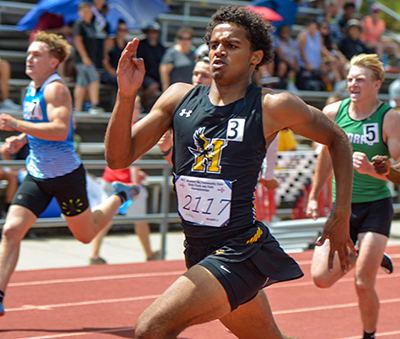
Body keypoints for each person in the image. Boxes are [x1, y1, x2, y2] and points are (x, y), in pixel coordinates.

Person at [106, 6, 356, 338]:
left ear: (256, 57)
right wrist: (126, 95)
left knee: (150, 329)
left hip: (240, 248)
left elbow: (337, 138)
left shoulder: (271, 106)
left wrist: (341, 213)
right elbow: (118, 158)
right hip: (197, 247)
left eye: (232, 45)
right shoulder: (179, 98)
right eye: (214, 44)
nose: (219, 50)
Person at [0, 31, 140, 316]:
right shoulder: (30, 88)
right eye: (29, 53)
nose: (29, 58)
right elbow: (38, 122)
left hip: (65, 176)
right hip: (38, 175)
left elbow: (59, 129)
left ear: (53, 62)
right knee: (11, 231)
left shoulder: (55, 89)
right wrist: (21, 140)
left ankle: (118, 196)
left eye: (37, 55)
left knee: (86, 236)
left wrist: (16, 124)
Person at [306, 53, 400, 339]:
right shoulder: (334, 113)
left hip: (376, 206)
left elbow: (397, 170)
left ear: (377, 83)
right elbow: (324, 156)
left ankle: (368, 335)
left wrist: (373, 171)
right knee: (321, 279)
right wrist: (313, 195)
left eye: (360, 79)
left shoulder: (391, 119)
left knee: (362, 282)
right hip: (342, 206)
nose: (352, 84)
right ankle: (364, 250)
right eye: (349, 79)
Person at [90, 98, 160, 264]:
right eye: (136, 106)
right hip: (126, 183)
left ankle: (94, 255)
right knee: (140, 221)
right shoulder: (135, 129)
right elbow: (134, 161)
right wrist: (136, 183)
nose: (139, 109)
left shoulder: (115, 126)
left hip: (110, 178)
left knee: (104, 219)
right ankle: (150, 254)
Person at [72, 1, 105, 114]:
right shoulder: (79, 25)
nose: (87, 13)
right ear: (79, 12)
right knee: (94, 80)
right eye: (84, 11)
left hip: (90, 58)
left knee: (82, 83)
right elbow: (78, 41)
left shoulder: (91, 25)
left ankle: (77, 108)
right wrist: (85, 57)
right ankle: (95, 105)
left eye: (89, 11)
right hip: (83, 59)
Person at [137, 22, 166, 112]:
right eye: (149, 32)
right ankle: (142, 105)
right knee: (153, 86)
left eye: (154, 32)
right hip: (143, 74)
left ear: (158, 33)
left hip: (157, 76)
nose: (152, 34)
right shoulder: (140, 45)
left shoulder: (161, 48)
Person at [159, 26, 196, 92]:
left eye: (188, 38)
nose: (185, 41)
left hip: (190, 89)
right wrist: (165, 90)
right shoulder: (172, 53)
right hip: (175, 90)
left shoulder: (193, 53)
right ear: (178, 39)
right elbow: (164, 72)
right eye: (183, 38)